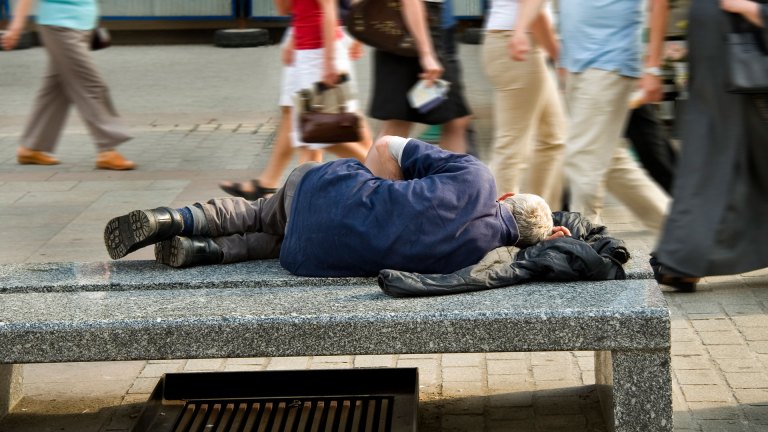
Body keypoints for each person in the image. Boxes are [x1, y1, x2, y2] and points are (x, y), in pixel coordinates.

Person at [104, 136, 571, 276]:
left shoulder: (476, 177)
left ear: (506, 196)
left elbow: (387, 143)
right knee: (282, 238)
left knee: (262, 211)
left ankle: (174, 219)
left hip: (318, 191)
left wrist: (378, 190)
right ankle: (199, 252)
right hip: (307, 259)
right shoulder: (483, 259)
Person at [510, 0, 671, 233]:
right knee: (610, 162)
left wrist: (653, 66)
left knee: (581, 160)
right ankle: (679, 230)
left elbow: (659, 3)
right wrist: (521, 29)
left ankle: (582, 249)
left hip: (610, 62)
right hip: (578, 66)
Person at [651, 0, 768, 292]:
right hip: (723, 47)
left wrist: (754, 10)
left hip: (738, 42)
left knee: (716, 155)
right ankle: (683, 258)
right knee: (710, 153)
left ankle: (683, 259)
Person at [219, 0, 368, 200]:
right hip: (308, 52)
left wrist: (329, 62)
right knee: (310, 136)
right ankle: (303, 196)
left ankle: (384, 173)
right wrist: (293, 40)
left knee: (320, 134)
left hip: (319, 54)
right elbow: (291, 8)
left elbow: (328, 10)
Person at [2, 0, 136, 170]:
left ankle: (31, 147)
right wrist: (17, 24)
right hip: (60, 26)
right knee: (92, 85)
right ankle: (107, 149)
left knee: (55, 89)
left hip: (82, 25)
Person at [482, 0, 566, 210]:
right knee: (513, 147)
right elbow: (534, 8)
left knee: (553, 137)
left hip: (517, 41)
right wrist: (559, 56)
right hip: (518, 43)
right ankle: (495, 225)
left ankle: (538, 217)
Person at [368, 0, 472, 153]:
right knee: (397, 126)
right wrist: (426, 54)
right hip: (414, 28)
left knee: (453, 119)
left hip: (416, 26)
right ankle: (454, 175)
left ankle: (451, 175)